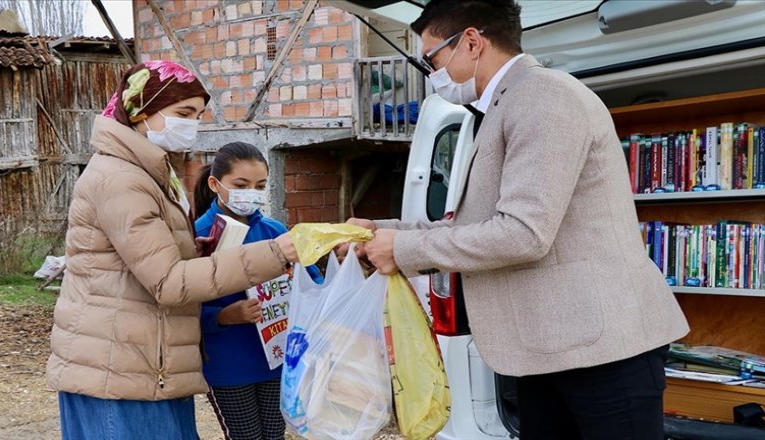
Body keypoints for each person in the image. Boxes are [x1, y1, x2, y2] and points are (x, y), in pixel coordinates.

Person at [352, 1, 690, 438]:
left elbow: (523, 234)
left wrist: (402, 251)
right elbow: (471, 224)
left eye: (431, 58)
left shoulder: (543, 95)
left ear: (471, 42)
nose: (430, 73)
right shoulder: (505, 106)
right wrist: (383, 232)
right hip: (550, 347)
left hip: (599, 348)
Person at [45, 61, 298, 440]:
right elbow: (168, 282)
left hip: (146, 364)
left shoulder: (148, 172)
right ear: (143, 112)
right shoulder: (121, 179)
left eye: (197, 114)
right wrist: (277, 253)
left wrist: (190, 248)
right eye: (183, 113)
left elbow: (142, 260)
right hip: (122, 371)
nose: (192, 125)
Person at [192, 142, 323, 440]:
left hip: (277, 361)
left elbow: (312, 282)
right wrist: (224, 316)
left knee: (275, 434)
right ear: (215, 184)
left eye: (260, 185)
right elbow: (180, 303)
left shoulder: (277, 232)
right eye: (241, 185)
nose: (251, 192)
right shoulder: (198, 235)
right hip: (228, 364)